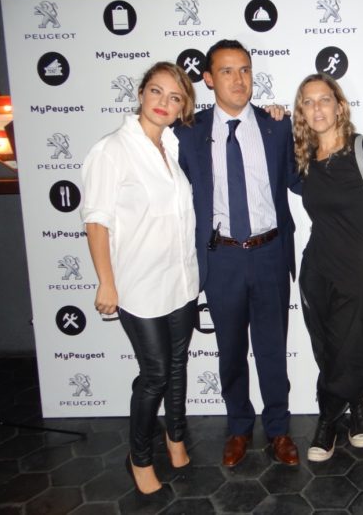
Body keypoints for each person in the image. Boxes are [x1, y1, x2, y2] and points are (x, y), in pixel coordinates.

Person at [174, 39, 302, 467]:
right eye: (227, 71)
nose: (238, 79)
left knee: (272, 349)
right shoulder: (188, 132)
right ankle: (239, 428)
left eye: (245, 69)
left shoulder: (276, 126)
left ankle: (279, 430)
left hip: (269, 253)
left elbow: (301, 180)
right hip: (222, 257)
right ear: (208, 79)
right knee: (229, 351)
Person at [81, 61, 198, 495]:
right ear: (141, 93)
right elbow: (97, 221)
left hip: (181, 280)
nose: (164, 102)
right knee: (155, 375)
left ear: (183, 106)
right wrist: (106, 281)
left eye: (175, 96)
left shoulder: (172, 147)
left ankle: (176, 437)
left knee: (178, 365)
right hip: (139, 284)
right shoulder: (111, 149)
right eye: (156, 91)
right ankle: (140, 457)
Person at [292, 73, 363, 462]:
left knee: (353, 347)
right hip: (318, 270)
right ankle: (357, 410)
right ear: (301, 112)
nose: (317, 108)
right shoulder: (304, 157)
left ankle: (327, 421)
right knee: (329, 350)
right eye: (308, 102)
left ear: (339, 106)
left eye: (324, 99)